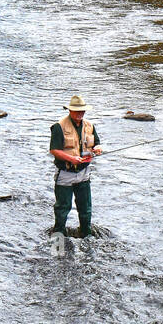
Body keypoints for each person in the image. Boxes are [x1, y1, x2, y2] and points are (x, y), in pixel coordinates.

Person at [49, 95, 103, 236]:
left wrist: (97, 148)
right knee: (62, 208)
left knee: (86, 208)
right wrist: (71, 159)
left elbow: (96, 142)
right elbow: (54, 150)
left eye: (82, 111)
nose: (80, 113)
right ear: (70, 110)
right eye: (76, 111)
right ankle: (58, 236)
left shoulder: (89, 126)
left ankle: (86, 235)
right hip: (65, 174)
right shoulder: (58, 127)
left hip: (84, 173)